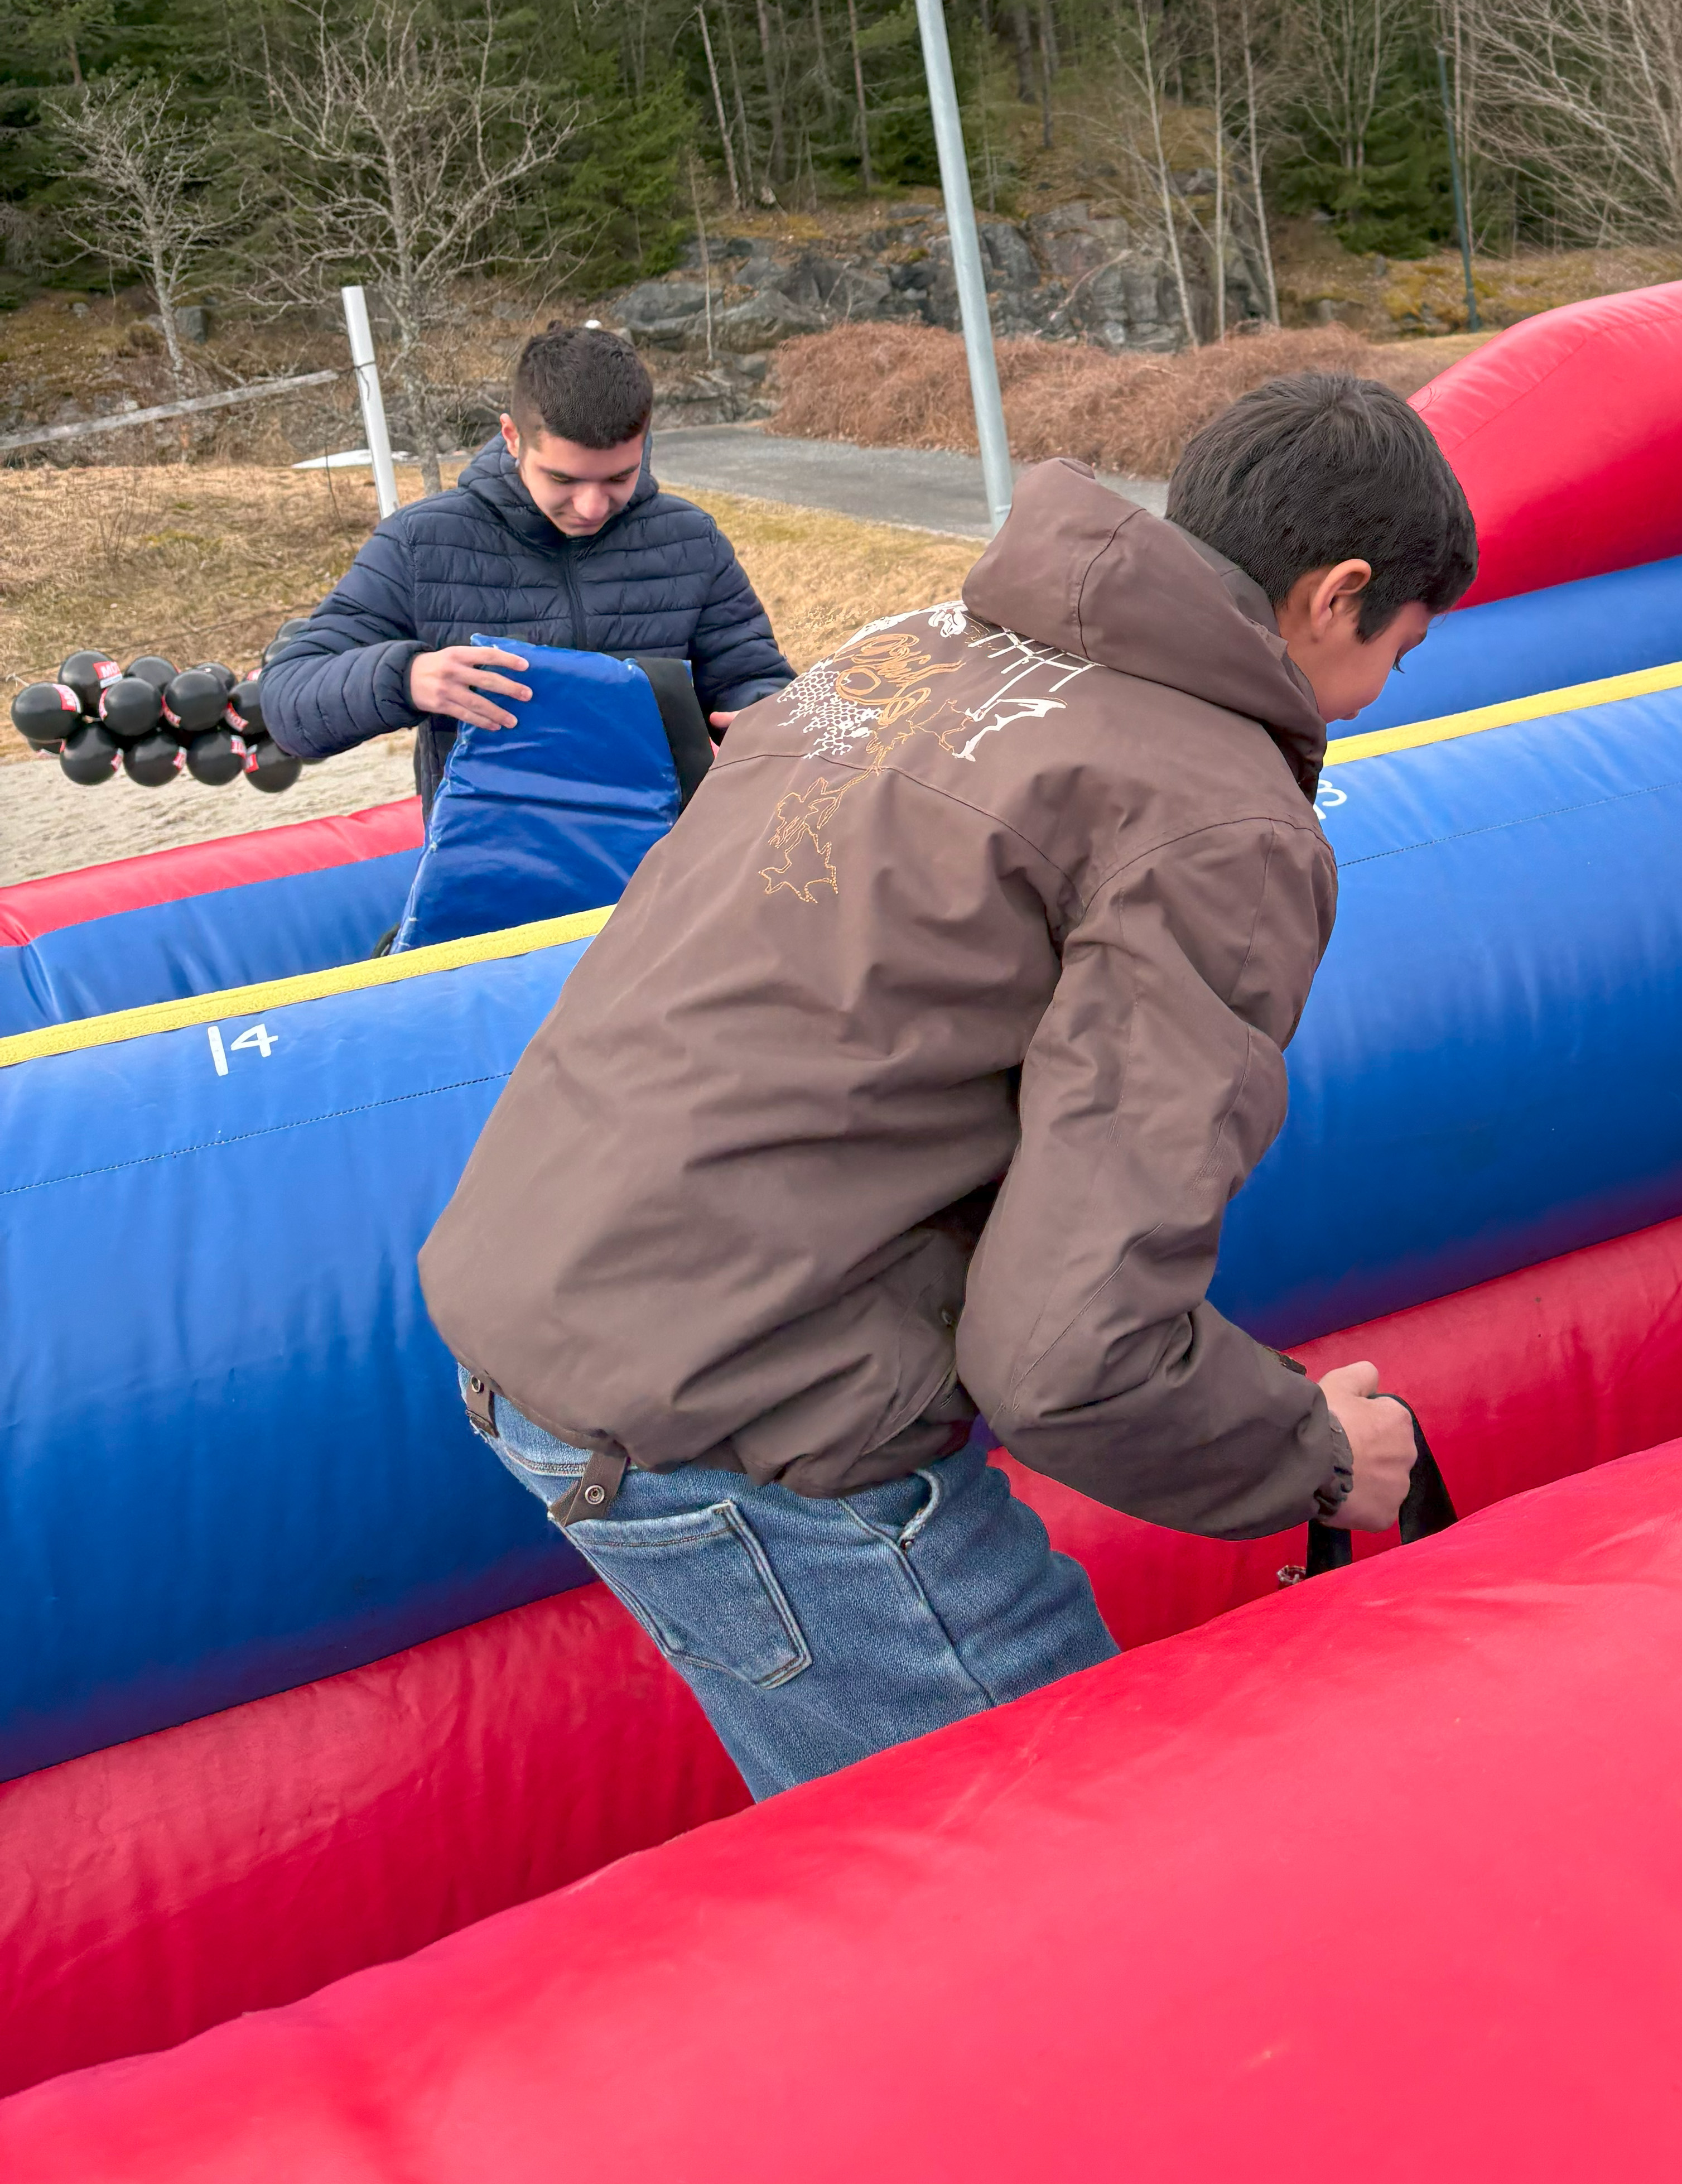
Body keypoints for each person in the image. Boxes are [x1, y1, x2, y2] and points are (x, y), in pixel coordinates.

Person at [418, 370, 1477, 1798]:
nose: (1375, 695)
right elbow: (1067, 1354)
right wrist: (1311, 1459)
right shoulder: (1215, 814)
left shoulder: (911, 648)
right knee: (1063, 1883)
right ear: (1337, 594)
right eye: (1397, 653)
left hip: (555, 1312)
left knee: (888, 1864)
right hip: (745, 1409)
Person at [261, 323, 793, 807]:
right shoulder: (421, 544)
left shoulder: (690, 540)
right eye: (563, 479)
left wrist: (760, 729)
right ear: (512, 437)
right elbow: (288, 703)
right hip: (497, 880)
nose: (591, 507)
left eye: (618, 478)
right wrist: (406, 677)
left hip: (668, 867)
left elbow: (756, 682)